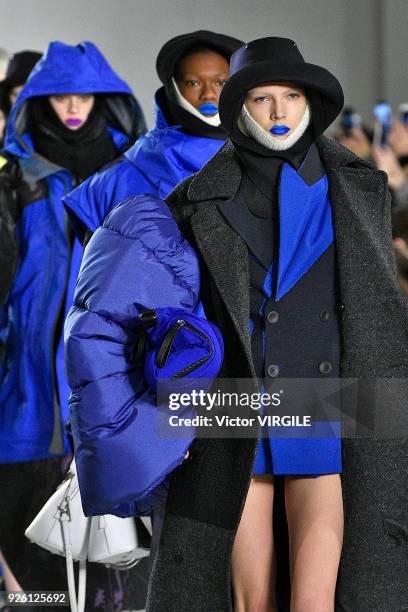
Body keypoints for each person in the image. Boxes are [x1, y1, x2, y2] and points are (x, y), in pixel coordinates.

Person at [0, 40, 147, 609]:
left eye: (83, 93)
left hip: (120, 381)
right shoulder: (17, 176)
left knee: (130, 571)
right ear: (38, 99)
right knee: (34, 568)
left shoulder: (133, 171)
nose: (72, 106)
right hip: (29, 387)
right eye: (59, 94)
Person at [63, 30, 242, 239]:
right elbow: (96, 266)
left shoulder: (263, 162)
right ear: (173, 86)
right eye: (193, 82)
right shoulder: (121, 175)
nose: (208, 94)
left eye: (221, 82)